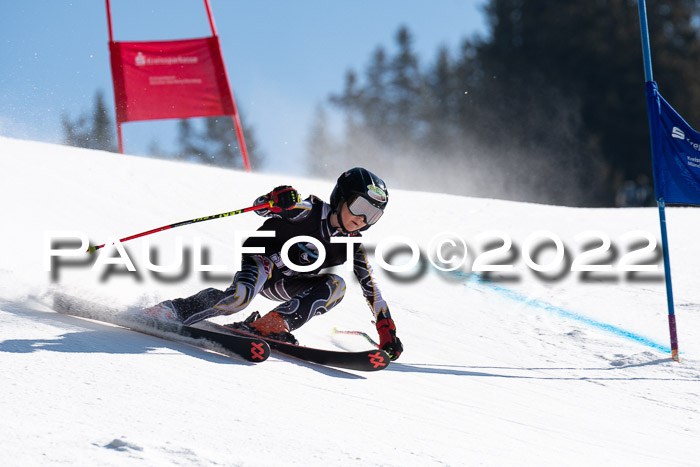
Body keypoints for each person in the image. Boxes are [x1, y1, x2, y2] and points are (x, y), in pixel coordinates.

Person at [144, 167, 403, 360]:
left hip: (289, 283)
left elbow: (371, 287)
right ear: (341, 197)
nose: (362, 219)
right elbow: (262, 208)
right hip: (263, 261)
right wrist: (277, 199)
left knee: (337, 285)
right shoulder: (308, 210)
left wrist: (386, 330)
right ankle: (172, 310)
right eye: (360, 207)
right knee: (239, 299)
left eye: (373, 215)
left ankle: (272, 323)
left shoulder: (352, 243)